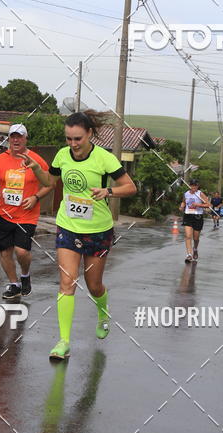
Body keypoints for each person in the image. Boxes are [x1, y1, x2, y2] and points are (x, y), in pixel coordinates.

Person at [19, 111, 136, 360]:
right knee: (67, 282)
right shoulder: (62, 155)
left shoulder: (104, 159)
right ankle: (63, 342)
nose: (73, 144)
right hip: (68, 226)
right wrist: (35, 169)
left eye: (78, 139)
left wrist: (108, 191)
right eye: (69, 138)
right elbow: (50, 181)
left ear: (90, 134)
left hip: (98, 230)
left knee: (93, 285)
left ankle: (103, 311)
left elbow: (131, 187)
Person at [0, 124, 52, 301]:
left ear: (25, 139)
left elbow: (50, 184)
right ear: (9, 138)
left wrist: (36, 197)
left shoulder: (36, 159)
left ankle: (25, 275)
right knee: (5, 252)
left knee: (21, 251)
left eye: (19, 136)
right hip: (3, 213)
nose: (16, 140)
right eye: (13, 136)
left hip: (27, 215)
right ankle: (14, 285)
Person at [179, 178, 209, 262]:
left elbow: (208, 204)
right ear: (190, 185)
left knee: (195, 238)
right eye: (192, 185)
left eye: (195, 185)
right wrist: (182, 206)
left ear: (197, 186)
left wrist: (198, 205)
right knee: (188, 236)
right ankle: (189, 254)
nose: (194, 187)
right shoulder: (186, 194)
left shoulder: (200, 194)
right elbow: (184, 202)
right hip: (188, 215)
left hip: (198, 217)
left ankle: (195, 248)